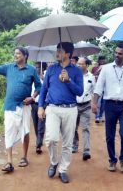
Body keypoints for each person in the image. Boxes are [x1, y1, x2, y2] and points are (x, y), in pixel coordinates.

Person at [38, 42, 83, 183]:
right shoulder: (51, 70)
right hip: (52, 108)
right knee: (51, 139)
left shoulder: (76, 71)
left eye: (59, 51)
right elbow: (44, 89)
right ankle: (54, 162)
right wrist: (40, 106)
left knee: (67, 143)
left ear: (68, 54)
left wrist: (68, 80)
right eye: (57, 50)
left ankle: (63, 169)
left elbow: (80, 92)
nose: (56, 53)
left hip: (70, 109)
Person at [92, 43, 123, 173]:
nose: (117, 55)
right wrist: (95, 103)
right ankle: (112, 160)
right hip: (110, 104)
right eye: (116, 53)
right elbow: (99, 87)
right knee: (109, 135)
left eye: (120, 53)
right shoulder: (106, 68)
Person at [72, 57, 95, 161]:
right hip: (74, 105)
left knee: (85, 128)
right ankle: (74, 145)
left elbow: (94, 91)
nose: (79, 65)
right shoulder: (74, 75)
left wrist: (94, 103)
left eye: (81, 64)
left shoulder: (92, 77)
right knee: (73, 127)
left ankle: (86, 150)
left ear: (86, 65)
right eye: (78, 64)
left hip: (86, 105)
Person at [31, 62, 47, 154]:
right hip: (33, 104)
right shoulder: (32, 77)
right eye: (36, 67)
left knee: (41, 124)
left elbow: (49, 88)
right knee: (35, 124)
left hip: (43, 104)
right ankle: (38, 140)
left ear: (43, 68)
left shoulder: (45, 78)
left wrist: (43, 79)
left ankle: (39, 144)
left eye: (38, 67)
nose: (37, 68)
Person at [92, 56, 106, 123]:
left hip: (105, 88)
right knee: (98, 102)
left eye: (104, 60)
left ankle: (101, 116)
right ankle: (97, 117)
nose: (102, 61)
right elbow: (92, 76)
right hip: (97, 88)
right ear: (99, 61)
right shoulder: (95, 68)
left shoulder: (107, 68)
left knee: (103, 103)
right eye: (101, 60)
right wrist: (98, 70)